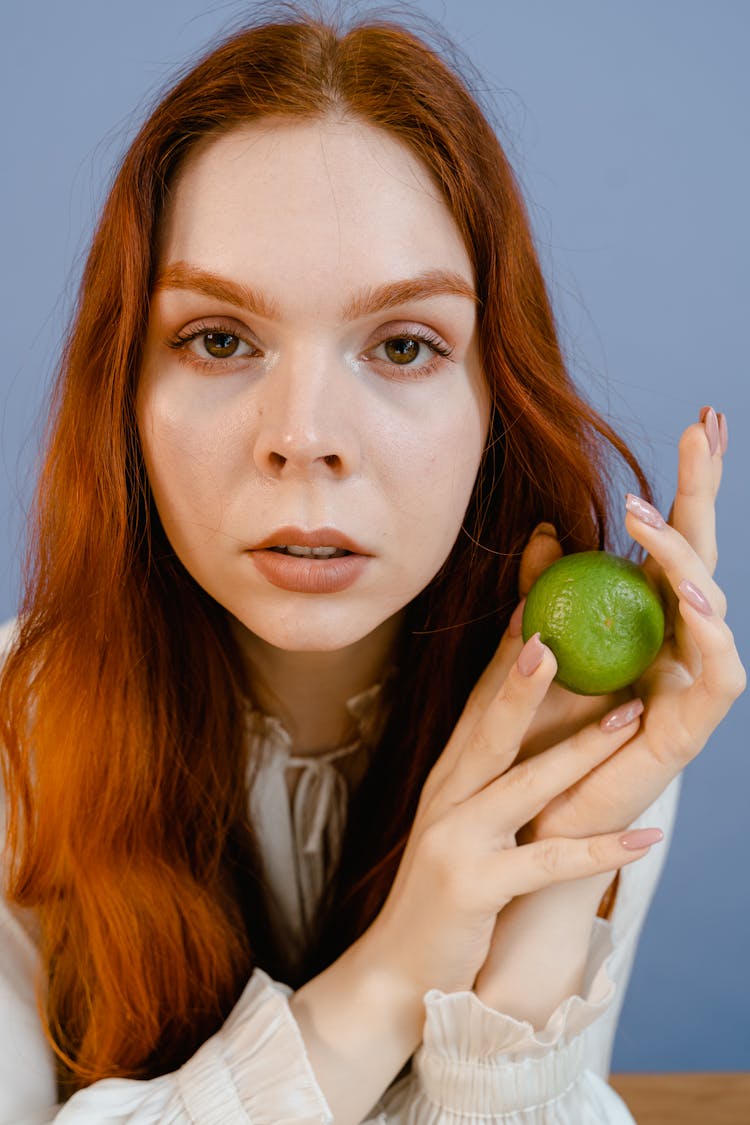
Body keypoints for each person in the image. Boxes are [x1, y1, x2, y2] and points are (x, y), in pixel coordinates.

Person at [0, 7, 743, 1123]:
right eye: (218, 338)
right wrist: (397, 974)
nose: (304, 434)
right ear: (125, 399)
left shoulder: (574, 720)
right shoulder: (16, 728)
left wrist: (549, 888)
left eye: (403, 345)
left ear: (497, 402)